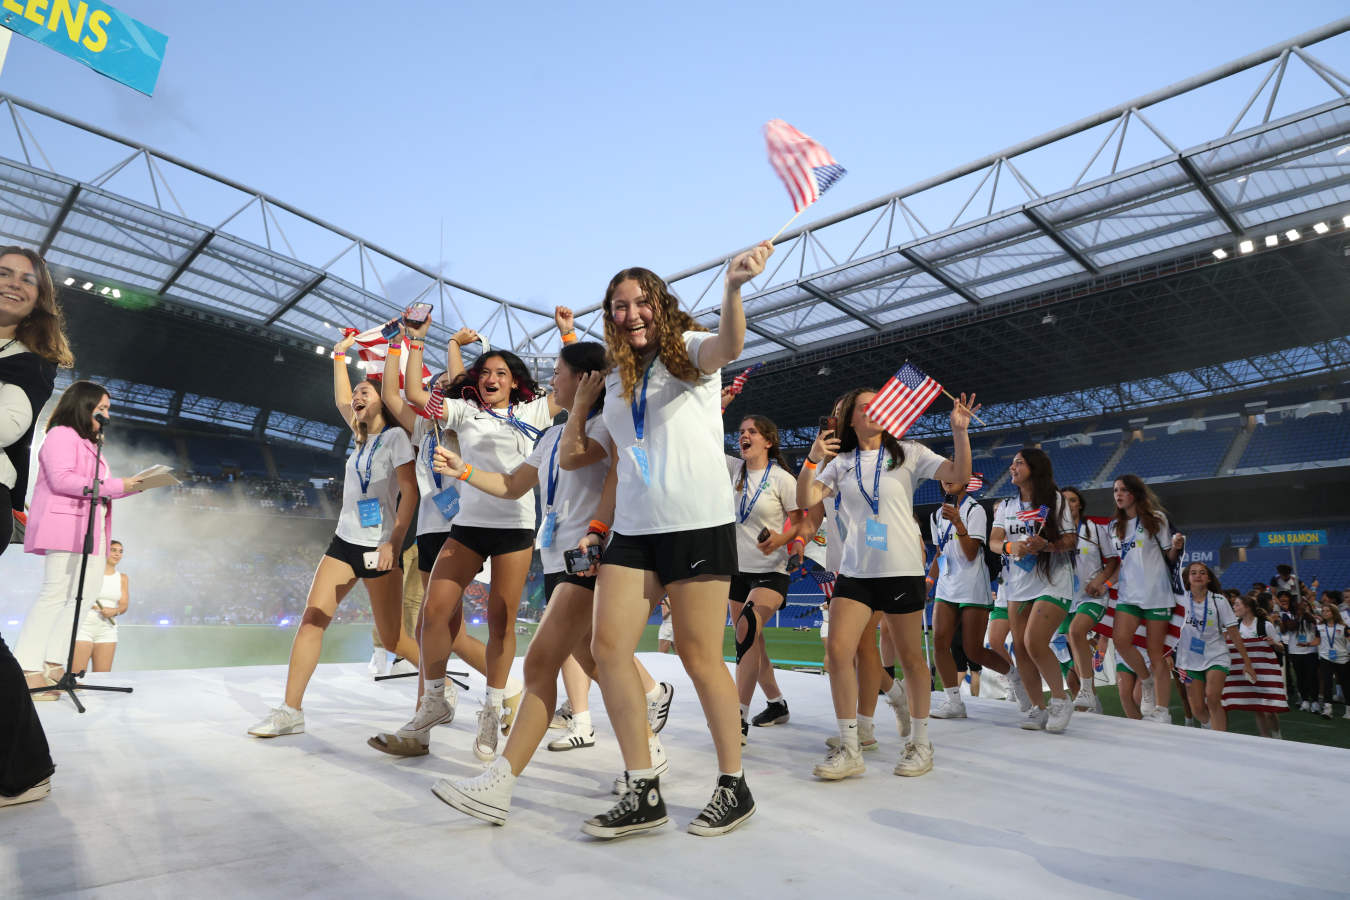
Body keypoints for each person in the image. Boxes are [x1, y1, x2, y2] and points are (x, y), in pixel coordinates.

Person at [565, 244, 771, 839]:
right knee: (607, 649)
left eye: (641, 303)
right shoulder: (617, 380)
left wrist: (734, 288)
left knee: (700, 656)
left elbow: (730, 346)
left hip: (695, 523)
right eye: (619, 306)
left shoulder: (691, 351)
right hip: (633, 528)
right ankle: (642, 787)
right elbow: (586, 454)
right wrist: (581, 401)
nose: (632, 314)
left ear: (660, 304)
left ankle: (733, 785)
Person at [427, 339, 675, 824]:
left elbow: (575, 457)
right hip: (559, 559)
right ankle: (648, 746)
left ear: (585, 381)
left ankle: (499, 784)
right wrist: (465, 470)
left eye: (560, 373)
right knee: (592, 659)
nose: (551, 382)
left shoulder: (606, 427)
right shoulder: (547, 436)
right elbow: (511, 486)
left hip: (594, 557)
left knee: (542, 661)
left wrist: (581, 407)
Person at [797, 384, 977, 780]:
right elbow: (805, 498)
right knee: (839, 651)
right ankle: (849, 747)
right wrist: (811, 460)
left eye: (878, 404)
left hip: (901, 569)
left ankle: (920, 742)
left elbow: (958, 474)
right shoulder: (840, 461)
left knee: (912, 659)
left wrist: (959, 431)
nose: (873, 410)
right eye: (864, 407)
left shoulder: (910, 452)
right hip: (856, 571)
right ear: (853, 420)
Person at [248, 336, 418, 737]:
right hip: (344, 541)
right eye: (356, 392)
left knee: (393, 638)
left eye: (366, 392)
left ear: (384, 401)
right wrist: (340, 354)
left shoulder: (395, 438)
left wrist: (394, 539)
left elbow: (410, 492)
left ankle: (435, 691)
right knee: (312, 619)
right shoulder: (358, 436)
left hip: (379, 546)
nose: (356, 397)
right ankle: (291, 711)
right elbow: (342, 399)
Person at [366, 327, 509, 755]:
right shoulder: (421, 429)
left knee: (434, 624)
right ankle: (501, 696)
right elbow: (394, 395)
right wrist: (403, 343)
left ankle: (422, 730)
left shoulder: (464, 421)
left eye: (445, 387)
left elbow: (457, 384)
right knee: (445, 629)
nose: (436, 391)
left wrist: (451, 349)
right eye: (432, 389)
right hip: (430, 529)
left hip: (463, 528)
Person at [18, 381, 156, 695]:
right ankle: (26, 668)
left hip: (94, 531)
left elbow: (97, 488)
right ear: (84, 405)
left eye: (108, 409)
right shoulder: (61, 435)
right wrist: (120, 485)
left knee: (80, 601)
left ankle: (54, 664)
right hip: (67, 526)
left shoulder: (91, 444)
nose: (106, 414)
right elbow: (64, 480)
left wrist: (131, 486)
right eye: (102, 408)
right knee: (55, 595)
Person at [0, 245, 68, 806]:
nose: (15, 284)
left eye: (28, 280)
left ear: (39, 300)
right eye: (4, 273)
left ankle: (25, 772)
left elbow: (6, 424)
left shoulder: (28, 361)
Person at [989, 449, 1077, 733]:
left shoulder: (1055, 501)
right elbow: (993, 541)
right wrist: (1009, 547)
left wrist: (1047, 546)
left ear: (1034, 468)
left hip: (1053, 580)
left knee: (1034, 641)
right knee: (1020, 648)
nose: (1012, 467)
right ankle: (1037, 709)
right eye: (1013, 462)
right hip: (1017, 585)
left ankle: (1061, 701)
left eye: (1019, 462)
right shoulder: (1005, 506)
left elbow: (1071, 540)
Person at [727, 414, 801, 737]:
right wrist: (716, 409)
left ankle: (737, 719)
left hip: (771, 571)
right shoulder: (733, 471)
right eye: (742, 432)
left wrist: (782, 539)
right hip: (737, 571)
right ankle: (776, 703)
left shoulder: (784, 480)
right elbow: (702, 441)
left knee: (745, 630)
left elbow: (801, 522)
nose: (744, 436)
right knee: (752, 643)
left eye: (752, 432)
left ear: (768, 441)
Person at [926, 476, 1008, 719]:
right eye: (943, 477)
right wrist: (930, 581)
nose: (946, 480)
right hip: (947, 585)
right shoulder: (935, 515)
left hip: (972, 585)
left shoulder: (976, 510)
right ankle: (954, 702)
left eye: (953, 476)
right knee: (940, 643)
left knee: (974, 651)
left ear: (965, 481)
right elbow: (941, 551)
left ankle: (1014, 678)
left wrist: (959, 523)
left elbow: (971, 553)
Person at [1109, 474, 1184, 724]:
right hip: (1129, 595)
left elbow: (1169, 558)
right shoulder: (1114, 527)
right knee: (1120, 641)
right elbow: (1118, 563)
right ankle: (1146, 680)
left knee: (1156, 653)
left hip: (1157, 594)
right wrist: (1104, 583)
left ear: (1135, 493)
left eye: (1123, 490)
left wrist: (1176, 546)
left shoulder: (1156, 519)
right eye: (1115, 490)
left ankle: (1162, 710)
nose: (1118, 494)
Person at [1174, 562, 1254, 732]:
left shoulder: (1219, 600)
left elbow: (1233, 633)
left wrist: (1247, 662)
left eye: (1202, 572)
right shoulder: (1179, 600)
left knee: (1212, 697)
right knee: (1196, 709)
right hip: (1188, 660)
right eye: (1193, 573)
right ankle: (1211, 727)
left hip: (1216, 656)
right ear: (1187, 579)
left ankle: (1221, 739)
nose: (1198, 575)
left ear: (1208, 578)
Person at [1061, 488, 1120, 713]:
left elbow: (1113, 561)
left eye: (1073, 500)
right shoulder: (1053, 532)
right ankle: (1094, 702)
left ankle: (1086, 691)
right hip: (1065, 598)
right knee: (1076, 650)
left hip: (1092, 597)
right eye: (1063, 501)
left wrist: (1101, 582)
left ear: (1080, 505)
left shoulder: (1094, 529)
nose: (1068, 504)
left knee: (1077, 633)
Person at [71, 539, 128, 675]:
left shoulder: (123, 578)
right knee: (77, 676)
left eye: (120, 552)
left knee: (102, 677)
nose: (117, 554)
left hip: (107, 630)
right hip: (83, 627)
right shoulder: (88, 573)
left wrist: (114, 611)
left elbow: (124, 605)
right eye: (113, 550)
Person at [1233, 594, 1283, 738]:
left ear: (1247, 607)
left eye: (1237, 604)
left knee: (1269, 709)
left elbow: (1282, 647)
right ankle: (1264, 738)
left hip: (1266, 671)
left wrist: (1273, 643)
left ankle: (1277, 736)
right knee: (1257, 708)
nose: (1234, 607)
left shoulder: (1264, 624)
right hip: (1249, 671)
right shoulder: (1235, 626)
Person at [1314, 601, 1349, 719]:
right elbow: (1317, 641)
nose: (1324, 613)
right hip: (1325, 657)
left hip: (1342, 658)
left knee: (1345, 684)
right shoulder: (1319, 627)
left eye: (1327, 610)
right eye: (1323, 611)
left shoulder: (1343, 627)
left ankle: (1348, 710)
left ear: (1334, 612)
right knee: (1327, 683)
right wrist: (1307, 643)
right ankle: (1327, 710)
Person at [1285, 597, 1321, 711]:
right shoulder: (1288, 616)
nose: (1302, 607)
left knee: (1312, 677)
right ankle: (1305, 699)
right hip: (1295, 652)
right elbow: (1291, 626)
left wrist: (1304, 613)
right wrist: (1299, 615)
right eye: (1299, 605)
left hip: (1310, 651)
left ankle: (1315, 701)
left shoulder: (1314, 617)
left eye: (1305, 605)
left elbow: (1314, 622)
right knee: (1300, 677)